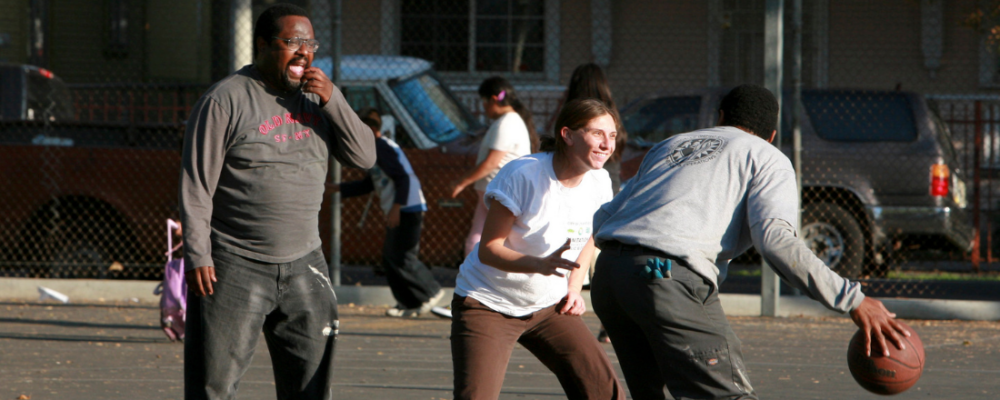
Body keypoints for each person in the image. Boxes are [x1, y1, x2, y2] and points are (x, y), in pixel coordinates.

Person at [590, 84, 911, 400]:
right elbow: (775, 240)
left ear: (720, 117)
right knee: (728, 394)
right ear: (771, 134)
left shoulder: (671, 145)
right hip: (664, 276)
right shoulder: (766, 156)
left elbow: (605, 215)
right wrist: (852, 299)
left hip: (609, 277)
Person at [179, 4, 376, 400]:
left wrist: (333, 99)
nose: (304, 52)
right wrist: (199, 254)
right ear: (263, 46)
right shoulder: (225, 100)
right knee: (213, 386)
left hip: (305, 262)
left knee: (310, 385)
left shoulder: (317, 100)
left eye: (310, 43)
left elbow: (364, 158)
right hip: (235, 264)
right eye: (292, 42)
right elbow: (196, 184)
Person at [449, 98, 626, 399]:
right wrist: (539, 264)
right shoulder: (524, 175)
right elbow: (488, 249)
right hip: (489, 302)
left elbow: (589, 239)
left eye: (612, 135)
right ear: (567, 135)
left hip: (549, 306)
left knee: (603, 391)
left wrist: (573, 287)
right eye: (597, 133)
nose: (606, 144)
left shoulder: (600, 181)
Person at [333, 110, 445, 317]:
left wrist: (396, 208)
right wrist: (338, 189)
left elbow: (404, 178)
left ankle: (431, 291)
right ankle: (408, 303)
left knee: (403, 257)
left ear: (372, 130)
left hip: (407, 208)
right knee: (391, 257)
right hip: (401, 208)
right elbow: (370, 183)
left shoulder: (381, 146)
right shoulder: (375, 149)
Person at [558, 62, 628, 343]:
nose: (605, 141)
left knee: (590, 247)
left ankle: (575, 299)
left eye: (608, 136)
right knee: (601, 259)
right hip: (610, 182)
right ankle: (609, 321)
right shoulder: (611, 112)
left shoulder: (574, 112)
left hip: (598, 182)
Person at [448, 76, 539, 258]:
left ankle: (486, 277)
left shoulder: (507, 123)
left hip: (501, 191)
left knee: (497, 238)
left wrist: (461, 183)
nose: (483, 107)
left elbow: (491, 162)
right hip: (493, 191)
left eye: (483, 101)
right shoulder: (505, 121)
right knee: (477, 237)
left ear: (492, 99)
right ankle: (472, 277)